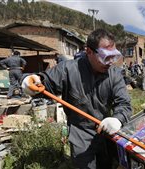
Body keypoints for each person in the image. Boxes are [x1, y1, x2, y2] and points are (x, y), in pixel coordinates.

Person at [21, 29, 132, 169]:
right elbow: (45, 82)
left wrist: (118, 119)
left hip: (106, 131)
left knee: (107, 164)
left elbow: (124, 104)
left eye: (113, 57)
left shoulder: (114, 74)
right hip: (80, 135)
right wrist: (33, 81)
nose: (110, 62)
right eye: (105, 57)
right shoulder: (68, 70)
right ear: (89, 51)